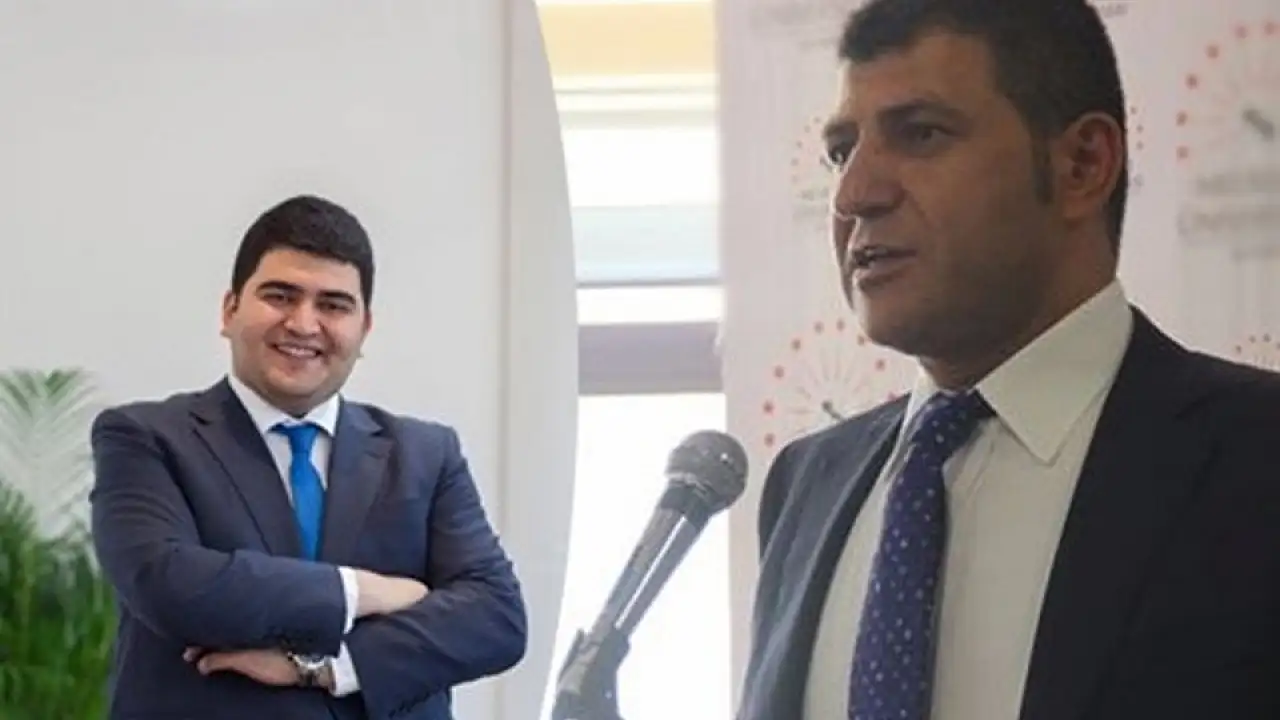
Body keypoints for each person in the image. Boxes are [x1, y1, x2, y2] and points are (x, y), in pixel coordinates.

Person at [737, 1, 1280, 719]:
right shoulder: (806, 484)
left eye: (921, 134)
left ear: (1083, 165)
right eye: (842, 151)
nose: (854, 194)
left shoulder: (1256, 458)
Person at [90, 195, 526, 720]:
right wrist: (363, 592)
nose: (302, 323)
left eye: (333, 305)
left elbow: (496, 617)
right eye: (280, 296)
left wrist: (323, 667)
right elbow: (169, 584)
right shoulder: (146, 438)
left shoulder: (426, 455)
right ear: (230, 310)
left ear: (364, 329)